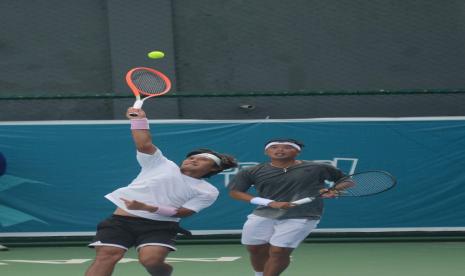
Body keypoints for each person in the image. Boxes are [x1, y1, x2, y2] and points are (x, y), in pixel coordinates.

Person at [85, 107, 237, 276]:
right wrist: (138, 120)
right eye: (191, 157)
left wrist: (148, 208)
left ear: (214, 169)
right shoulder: (161, 164)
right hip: (121, 221)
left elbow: (184, 212)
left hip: (160, 226)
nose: (193, 160)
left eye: (202, 160)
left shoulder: (208, 191)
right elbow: (144, 144)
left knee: (151, 261)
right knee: (107, 256)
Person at [228, 138, 351, 276]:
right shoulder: (252, 171)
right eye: (274, 147)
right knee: (255, 249)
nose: (280, 150)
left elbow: (346, 181)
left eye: (287, 147)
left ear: (297, 151)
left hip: (303, 214)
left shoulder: (317, 168)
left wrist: (333, 190)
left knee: (279, 251)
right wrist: (269, 203)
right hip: (264, 213)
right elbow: (235, 192)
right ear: (266, 151)